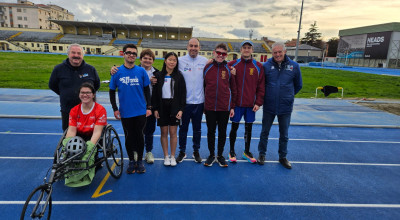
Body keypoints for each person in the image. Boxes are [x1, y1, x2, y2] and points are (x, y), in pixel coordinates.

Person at [257, 42, 302, 169]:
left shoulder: (294, 66)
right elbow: (261, 85)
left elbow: (298, 85)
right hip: (269, 106)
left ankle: (283, 157)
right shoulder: (266, 66)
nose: (277, 55)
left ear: (285, 51)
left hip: (285, 107)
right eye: (275, 52)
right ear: (272, 53)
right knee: (264, 132)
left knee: (284, 134)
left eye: (279, 52)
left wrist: (289, 96)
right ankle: (262, 154)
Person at [111, 49, 160, 164]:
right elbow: (120, 75)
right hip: (136, 107)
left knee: (149, 130)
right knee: (137, 132)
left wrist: (153, 106)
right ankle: (135, 152)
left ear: (153, 60)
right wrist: (112, 70)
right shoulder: (135, 70)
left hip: (150, 106)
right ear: (140, 59)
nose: (147, 61)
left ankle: (148, 151)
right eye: (145, 58)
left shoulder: (158, 73)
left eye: (150, 59)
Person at [62, 82, 107, 187]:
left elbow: (97, 132)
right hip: (79, 136)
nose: (85, 95)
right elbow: (71, 130)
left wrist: (90, 147)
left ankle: (86, 172)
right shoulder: (74, 110)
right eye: (82, 92)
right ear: (79, 94)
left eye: (88, 92)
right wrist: (68, 144)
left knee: (87, 157)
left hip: (93, 136)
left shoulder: (100, 109)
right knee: (70, 154)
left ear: (93, 95)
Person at [228, 40, 265, 164]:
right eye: (244, 47)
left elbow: (261, 86)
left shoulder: (258, 66)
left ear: (252, 50)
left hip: (250, 105)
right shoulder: (232, 64)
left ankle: (246, 151)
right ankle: (232, 151)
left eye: (249, 47)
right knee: (234, 128)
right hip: (237, 104)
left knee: (248, 129)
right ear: (241, 50)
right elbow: (222, 76)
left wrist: (258, 102)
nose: (246, 50)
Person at [49, 43, 100, 131]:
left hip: (88, 111)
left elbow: (96, 85)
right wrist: (65, 93)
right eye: (73, 53)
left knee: (90, 138)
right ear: (68, 54)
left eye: (79, 53)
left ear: (83, 55)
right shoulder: (58, 69)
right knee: (69, 138)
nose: (76, 55)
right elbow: (52, 85)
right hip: (68, 110)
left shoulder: (91, 69)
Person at [203, 43, 237, 167]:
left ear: (226, 55)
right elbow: (203, 87)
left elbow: (234, 89)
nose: (220, 55)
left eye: (223, 54)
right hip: (210, 107)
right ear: (214, 52)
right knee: (210, 131)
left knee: (222, 132)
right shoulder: (207, 68)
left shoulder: (229, 69)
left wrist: (232, 106)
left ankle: (220, 155)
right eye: (218, 53)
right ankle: (212, 155)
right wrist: (204, 105)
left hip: (224, 107)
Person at [176, 37, 208, 163]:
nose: (193, 48)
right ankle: (182, 151)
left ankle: (196, 151)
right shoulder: (180, 61)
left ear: (199, 48)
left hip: (199, 103)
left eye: (196, 46)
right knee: (183, 129)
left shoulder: (205, 61)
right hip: (185, 104)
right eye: (191, 46)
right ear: (187, 47)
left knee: (197, 129)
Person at [152, 52, 186, 166]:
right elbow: (155, 94)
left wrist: (181, 109)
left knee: (173, 132)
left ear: (177, 63)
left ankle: (172, 156)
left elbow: (183, 94)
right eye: (170, 59)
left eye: (174, 60)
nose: (172, 62)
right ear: (165, 61)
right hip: (162, 107)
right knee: (164, 132)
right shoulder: (158, 76)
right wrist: (155, 109)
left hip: (175, 107)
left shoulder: (179, 76)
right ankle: (166, 156)